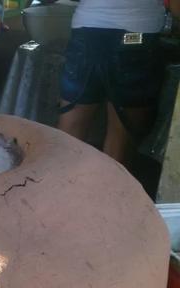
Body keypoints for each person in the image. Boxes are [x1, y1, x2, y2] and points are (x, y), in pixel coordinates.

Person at [58, 0, 179, 166]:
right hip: (138, 36)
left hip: (86, 33)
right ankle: (106, 190)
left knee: (71, 129)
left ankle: (59, 187)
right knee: (120, 138)